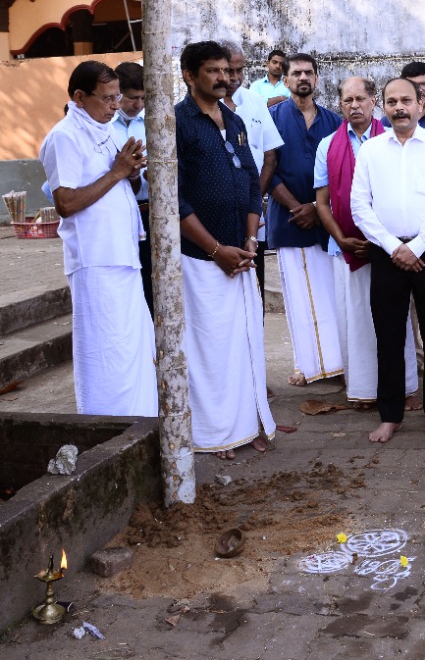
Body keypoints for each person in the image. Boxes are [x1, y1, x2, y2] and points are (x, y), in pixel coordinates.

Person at [39, 60, 156, 417]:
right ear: (79, 96)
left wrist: (131, 172)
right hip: (95, 260)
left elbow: (120, 185)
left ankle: (142, 421)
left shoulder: (104, 130)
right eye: (107, 99)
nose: (115, 106)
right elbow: (67, 202)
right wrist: (118, 171)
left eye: (117, 98)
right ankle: (107, 425)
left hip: (122, 254)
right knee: (106, 352)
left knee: (133, 349)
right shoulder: (65, 136)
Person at [175, 41, 276, 458]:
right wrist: (216, 249)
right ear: (189, 76)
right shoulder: (176, 122)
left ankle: (250, 423)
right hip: (201, 258)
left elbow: (253, 182)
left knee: (247, 342)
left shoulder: (233, 119)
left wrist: (250, 241)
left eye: (225, 70)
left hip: (242, 254)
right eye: (212, 71)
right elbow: (174, 200)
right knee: (210, 350)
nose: (223, 77)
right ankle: (215, 435)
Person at [351, 78, 425, 444]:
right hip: (386, 254)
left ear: (421, 104)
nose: (400, 107)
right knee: (389, 336)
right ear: (383, 106)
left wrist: (418, 246)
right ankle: (390, 416)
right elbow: (359, 206)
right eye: (392, 101)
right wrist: (391, 246)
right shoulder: (371, 151)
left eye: (406, 101)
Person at [314, 76, 418, 407]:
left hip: (388, 249)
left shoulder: (393, 140)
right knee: (355, 320)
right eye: (348, 101)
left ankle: (402, 388)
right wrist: (342, 238)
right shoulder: (327, 145)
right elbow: (321, 201)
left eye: (361, 99)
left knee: (394, 318)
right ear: (340, 104)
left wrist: (381, 241)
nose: (355, 106)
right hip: (345, 249)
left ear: (374, 101)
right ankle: (362, 390)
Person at [266, 53, 344, 386]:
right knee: (298, 298)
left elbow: (342, 169)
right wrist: (298, 207)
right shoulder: (270, 118)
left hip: (327, 219)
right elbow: (266, 170)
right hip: (289, 220)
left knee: (331, 292)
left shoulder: (334, 121)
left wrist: (316, 206)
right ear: (284, 79)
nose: (303, 78)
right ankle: (307, 365)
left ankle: (339, 362)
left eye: (309, 73)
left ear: (316, 78)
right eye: (296, 73)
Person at [224, 44, 285, 300]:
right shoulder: (199, 106)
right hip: (217, 217)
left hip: (253, 218)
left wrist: (253, 206)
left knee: (253, 289)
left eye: (240, 70)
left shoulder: (254, 101)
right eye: (229, 71)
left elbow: (270, 156)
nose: (236, 78)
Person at [111, 61, 152, 313]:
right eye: (132, 98)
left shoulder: (154, 121)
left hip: (149, 213)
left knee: (149, 281)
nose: (138, 105)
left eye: (143, 98)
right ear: (117, 94)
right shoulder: (103, 125)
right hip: (116, 215)